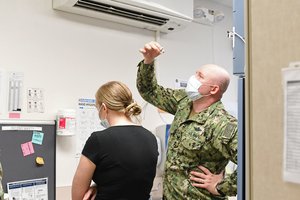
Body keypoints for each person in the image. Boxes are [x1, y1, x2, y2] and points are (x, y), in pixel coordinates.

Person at [136, 41, 238, 200]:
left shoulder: (222, 123)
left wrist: (220, 186)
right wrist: (148, 61)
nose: (193, 78)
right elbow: (149, 91)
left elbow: (252, 162)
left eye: (200, 76)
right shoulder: (183, 102)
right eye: (195, 73)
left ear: (213, 89)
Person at [72, 81, 159, 200]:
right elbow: (130, 180)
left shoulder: (98, 140)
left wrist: (97, 187)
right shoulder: (150, 138)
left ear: (103, 108)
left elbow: (78, 197)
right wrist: (99, 186)